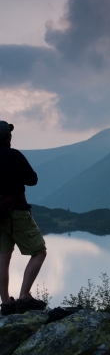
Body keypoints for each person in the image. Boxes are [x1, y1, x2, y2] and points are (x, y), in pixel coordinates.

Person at [0, 121, 47, 315]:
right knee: (39, 251)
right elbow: (32, 179)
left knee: (3, 256)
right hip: (16, 212)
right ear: (7, 137)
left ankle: (6, 303)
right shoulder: (14, 155)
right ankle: (24, 297)